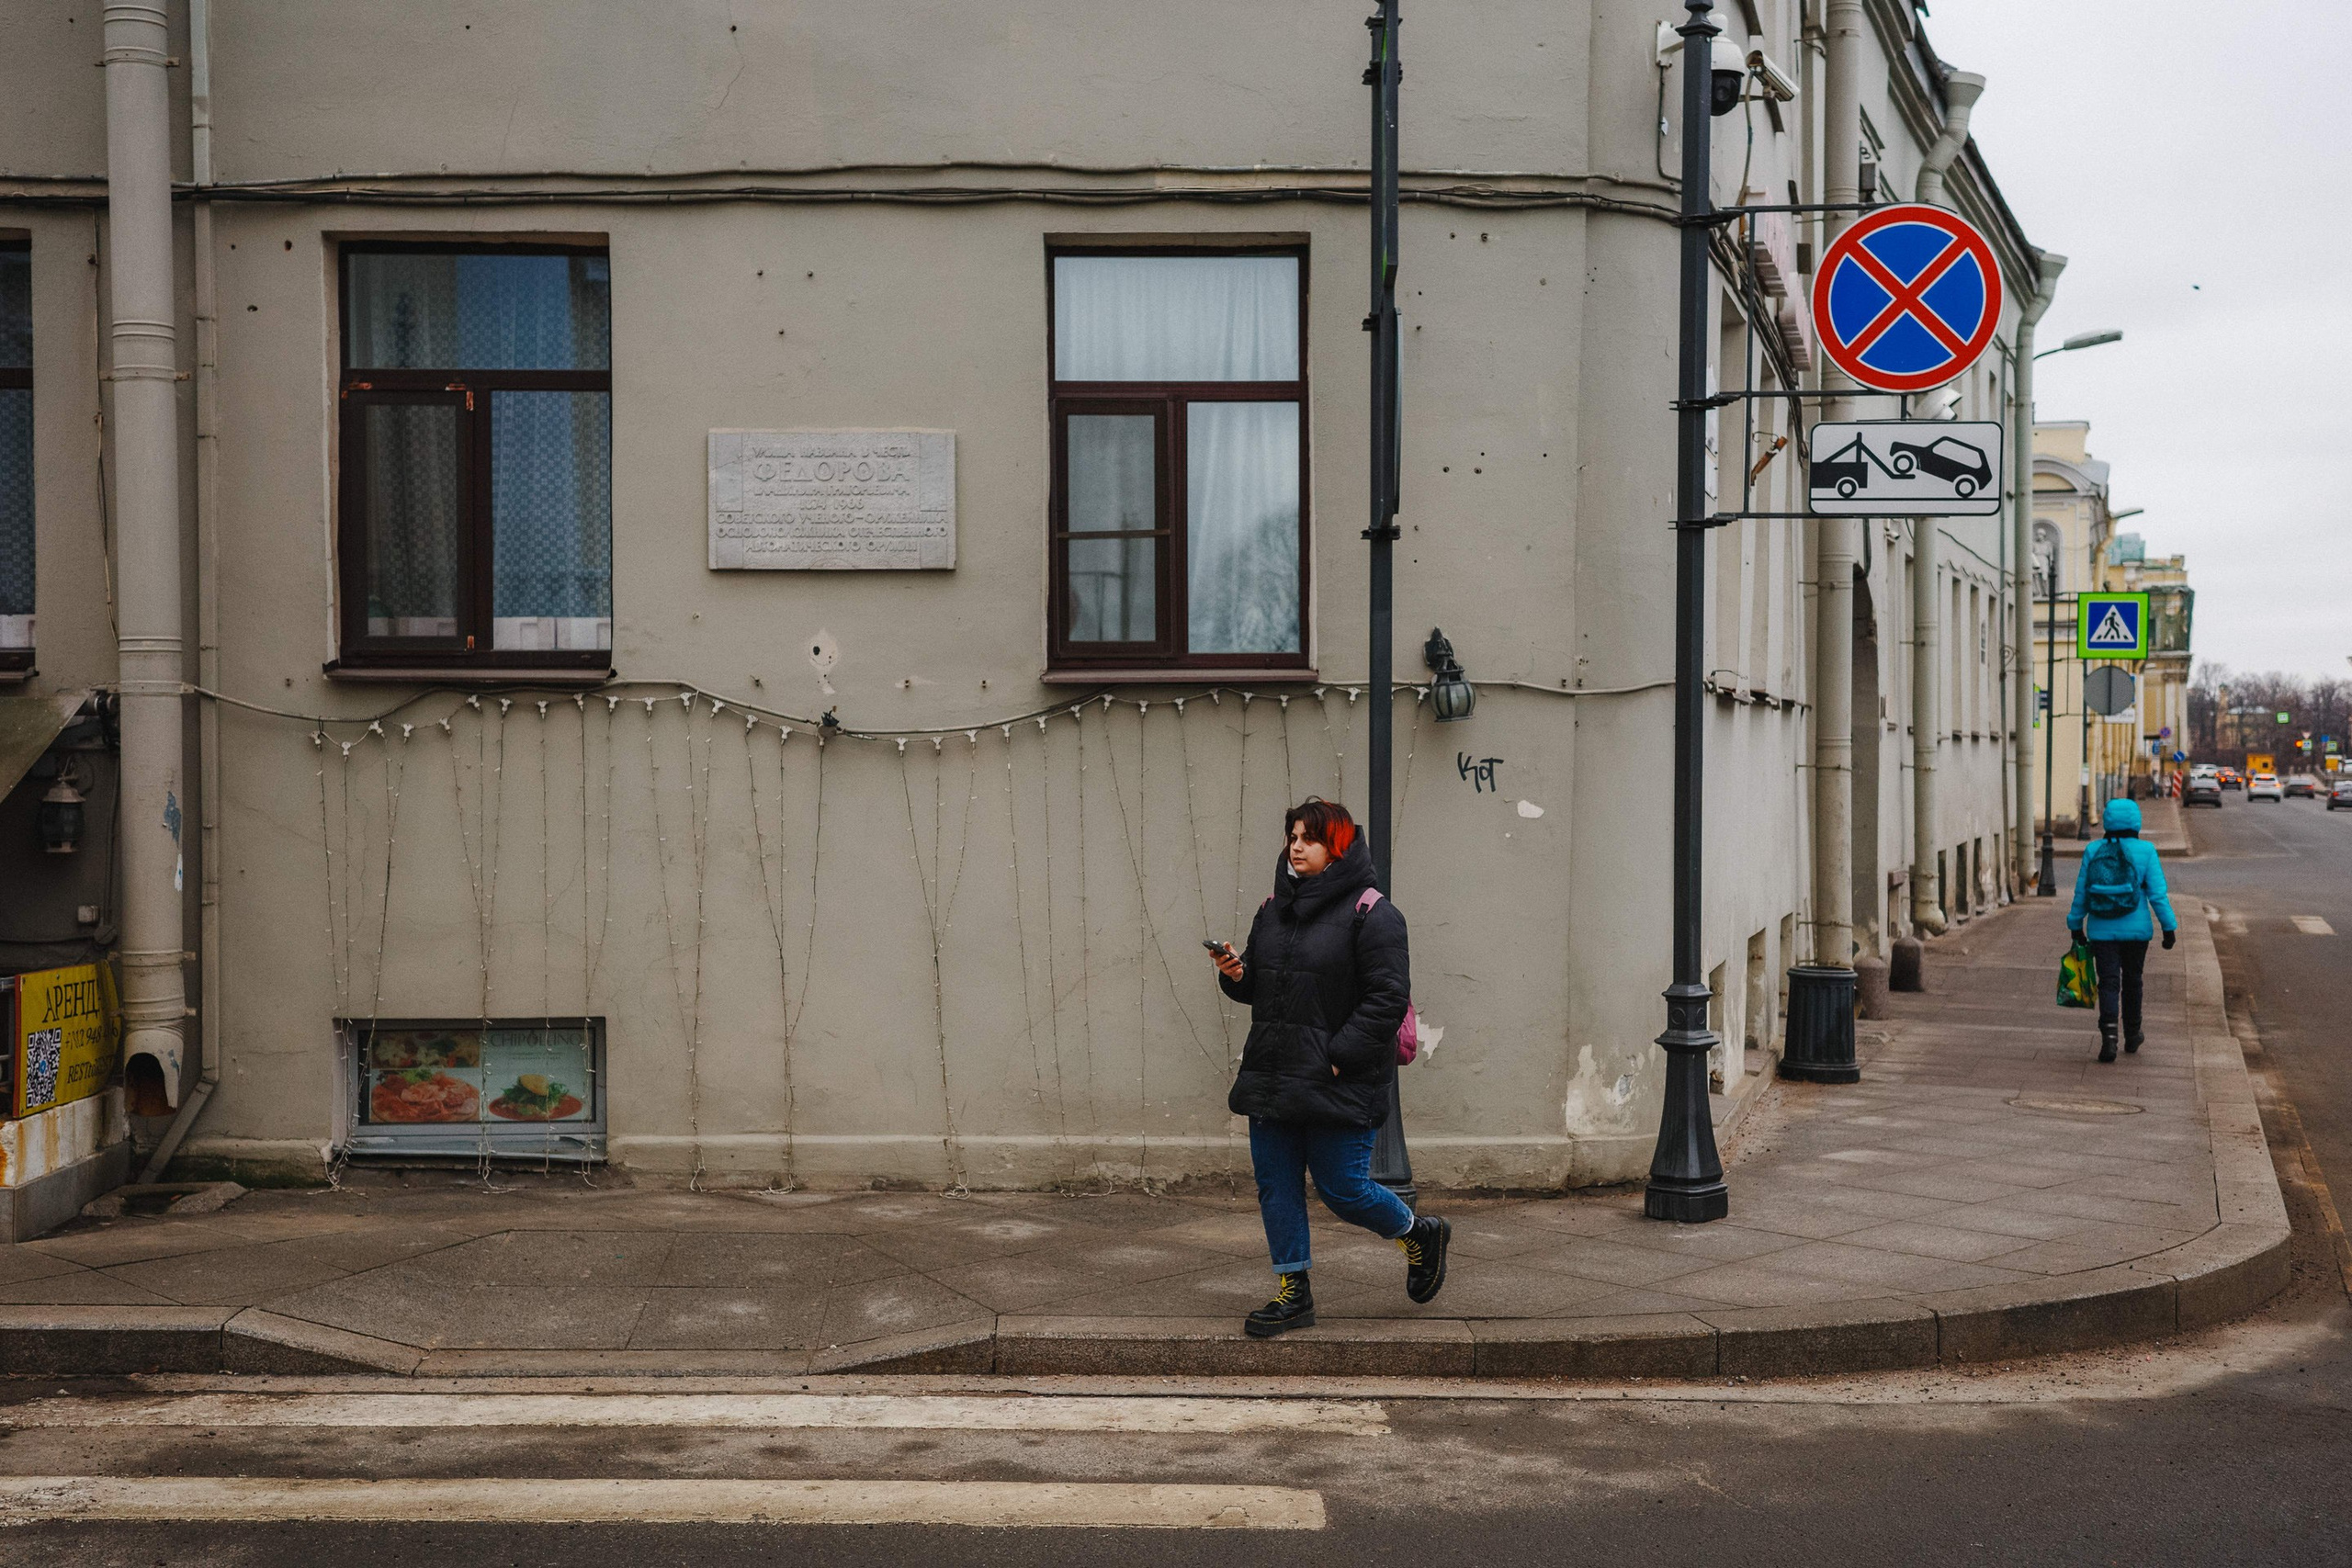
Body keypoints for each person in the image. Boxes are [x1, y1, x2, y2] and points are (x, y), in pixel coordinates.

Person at [1205, 796, 1449, 1337]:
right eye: (1292, 836)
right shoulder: (1273, 910)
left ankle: (1417, 1233)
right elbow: (1261, 988)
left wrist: (1339, 1055)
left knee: (1344, 1189)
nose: (1296, 846)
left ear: (1336, 848)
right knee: (1277, 1185)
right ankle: (1294, 1292)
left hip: (1339, 1076)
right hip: (1274, 1072)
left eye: (1309, 838)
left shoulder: (1374, 913)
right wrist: (1235, 973)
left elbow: (1387, 999)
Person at [2067, 796, 2177, 1063]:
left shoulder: (2094, 850)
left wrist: (2075, 925)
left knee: (2108, 983)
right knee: (2133, 981)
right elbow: (2158, 895)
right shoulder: (2146, 851)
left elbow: (2082, 892)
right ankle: (2133, 1033)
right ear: (2136, 822)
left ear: (2107, 821)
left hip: (2101, 931)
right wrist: (2168, 927)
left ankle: (2109, 1038)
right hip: (2137, 931)